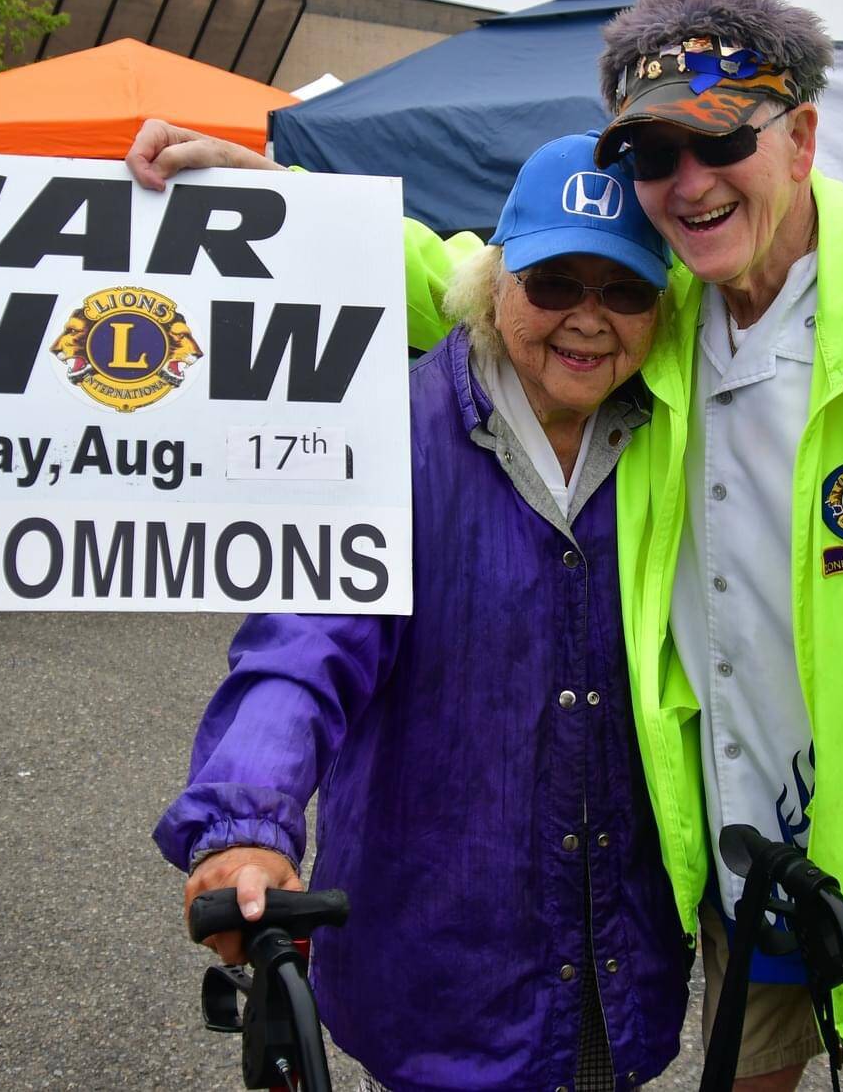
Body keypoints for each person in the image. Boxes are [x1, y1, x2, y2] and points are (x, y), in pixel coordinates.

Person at [130, 0, 843, 1092]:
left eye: (718, 145)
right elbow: (477, 293)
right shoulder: (677, 306)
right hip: (717, 841)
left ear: (801, 136)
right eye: (656, 158)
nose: (689, 186)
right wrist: (290, 206)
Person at [153, 135, 688, 1092]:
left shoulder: (677, 433)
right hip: (442, 972)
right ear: (492, 284)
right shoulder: (391, 436)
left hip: (620, 963)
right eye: (554, 282)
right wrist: (247, 820)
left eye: (625, 289)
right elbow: (302, 645)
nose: (589, 319)